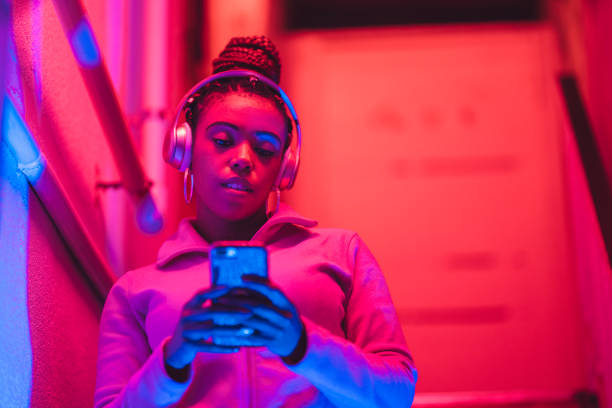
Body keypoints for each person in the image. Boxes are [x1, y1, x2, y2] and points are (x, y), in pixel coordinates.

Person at [94, 35, 417, 408]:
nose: (243, 158)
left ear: (285, 166)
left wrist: (302, 344)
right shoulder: (135, 291)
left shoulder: (342, 253)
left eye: (264, 148)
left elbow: (398, 392)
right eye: (221, 140)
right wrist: (173, 360)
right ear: (185, 149)